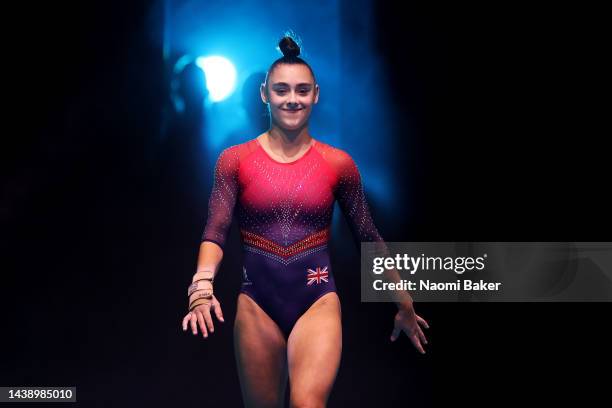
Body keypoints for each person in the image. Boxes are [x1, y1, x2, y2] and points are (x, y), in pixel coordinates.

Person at [181, 34, 429, 407]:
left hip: (317, 302)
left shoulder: (338, 164)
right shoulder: (234, 161)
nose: (292, 99)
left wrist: (402, 299)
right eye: (281, 90)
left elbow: (368, 236)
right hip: (256, 305)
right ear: (265, 94)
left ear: (316, 94)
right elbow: (215, 230)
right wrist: (201, 287)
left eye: (301, 90)